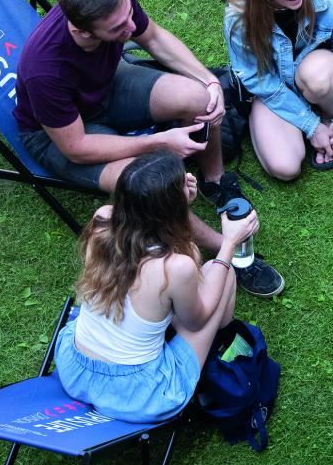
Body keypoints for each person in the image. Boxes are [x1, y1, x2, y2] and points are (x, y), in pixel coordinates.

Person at [14, 0, 283, 297]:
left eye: (129, 16)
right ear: (81, 31)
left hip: (106, 86)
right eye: (118, 29)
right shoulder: (44, 69)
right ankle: (228, 248)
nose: (130, 28)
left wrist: (209, 81)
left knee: (198, 98)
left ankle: (214, 180)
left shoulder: (114, 2)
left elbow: (153, 37)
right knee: (146, 184)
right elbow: (77, 147)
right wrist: (158, 143)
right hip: (59, 137)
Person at [55, 152, 258, 423]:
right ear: (170, 209)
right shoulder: (176, 267)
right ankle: (218, 358)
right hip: (139, 394)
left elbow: (159, 237)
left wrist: (175, 203)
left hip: (75, 369)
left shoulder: (103, 221)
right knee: (223, 274)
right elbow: (196, 321)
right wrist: (229, 244)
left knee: (183, 288)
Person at [224, 0, 333, 179]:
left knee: (319, 78)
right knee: (286, 168)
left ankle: (330, 120)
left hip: (316, 75)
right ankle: (313, 127)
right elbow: (258, 81)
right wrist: (311, 125)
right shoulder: (239, 18)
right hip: (273, 92)